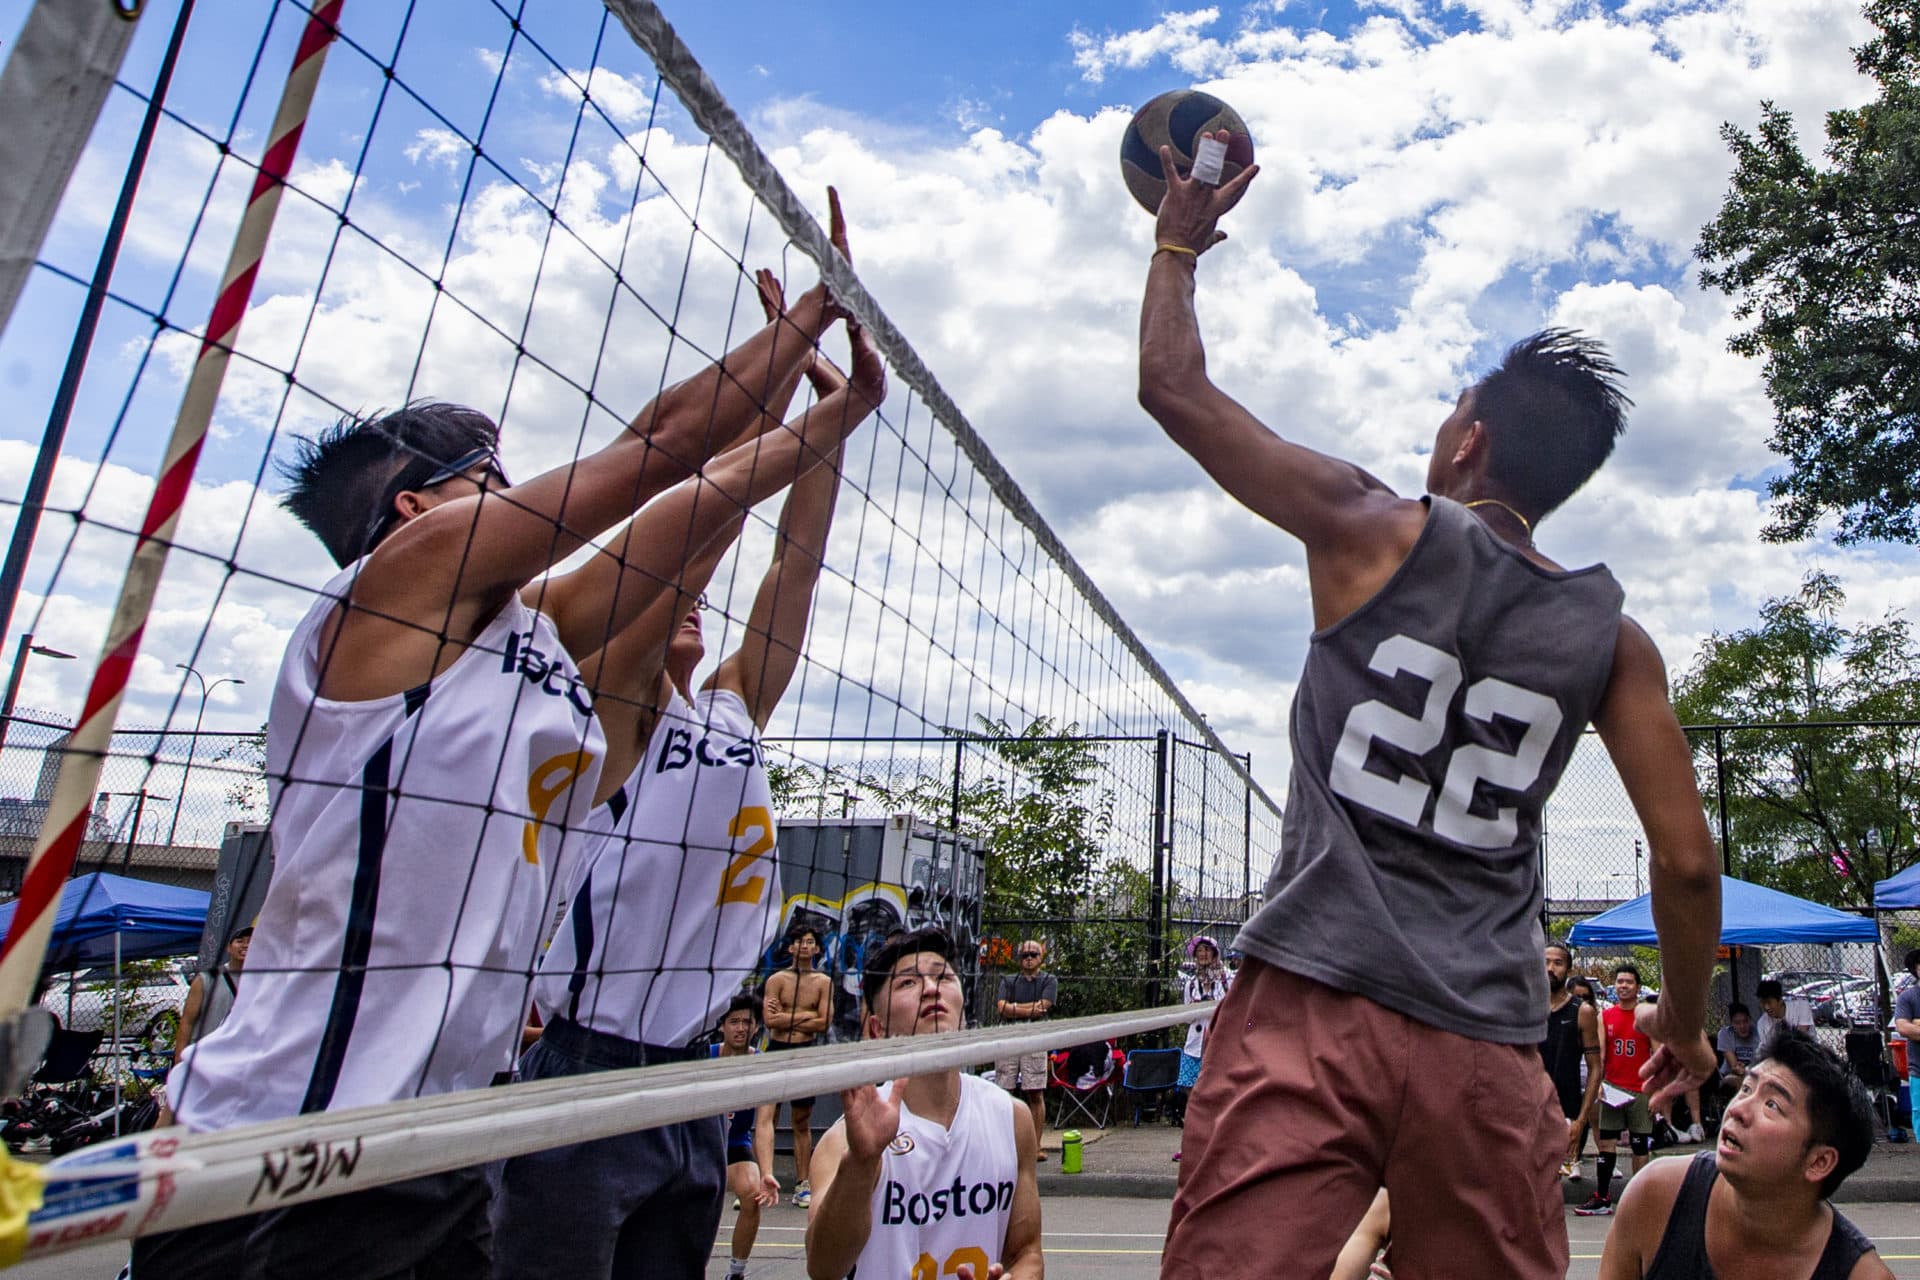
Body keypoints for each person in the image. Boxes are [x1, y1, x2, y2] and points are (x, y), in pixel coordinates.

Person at [139, 207, 864, 1278]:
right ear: (418, 506)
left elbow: (700, 507)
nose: (517, 488)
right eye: (493, 471)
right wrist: (812, 309)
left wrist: (832, 418)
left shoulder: (541, 637)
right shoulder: (385, 599)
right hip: (284, 1143)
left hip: (447, 1139)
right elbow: (656, 450)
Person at [1140, 133, 1721, 1279]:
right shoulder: (1614, 638)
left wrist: (1175, 243)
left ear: (1468, 441)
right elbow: (1689, 863)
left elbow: (1173, 386)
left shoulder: (1369, 526)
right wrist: (1687, 1025)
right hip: (1486, 1033)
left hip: (1312, 996)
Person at [492, 231, 884, 1279]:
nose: (696, 611)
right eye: (685, 602)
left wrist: (828, 419)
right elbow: (695, 523)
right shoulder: (611, 709)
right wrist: (772, 388)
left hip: (692, 1071)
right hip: (588, 1069)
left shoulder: (729, 712)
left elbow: (793, 569)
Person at [805, 928, 1043, 1280]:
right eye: (908, 983)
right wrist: (862, 1161)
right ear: (876, 1028)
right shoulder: (844, 1142)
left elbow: (1027, 1254)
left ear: (963, 1011)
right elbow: (824, 1268)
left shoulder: (1011, 1118)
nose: (932, 988)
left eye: (943, 976)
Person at [1599, 1026, 1893, 1279]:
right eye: (1746, 1089)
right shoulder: (1656, 1197)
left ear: (1819, 1161)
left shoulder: (1861, 1274)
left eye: (1772, 1105)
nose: (1738, 1110)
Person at [764, 922, 836, 1205]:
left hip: (804, 1053)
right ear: (791, 947)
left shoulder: (823, 983)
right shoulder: (777, 980)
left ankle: (802, 1184)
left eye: (809, 941)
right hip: (777, 1050)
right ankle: (763, 1179)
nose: (804, 946)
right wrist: (805, 1016)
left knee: (801, 1120)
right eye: (799, 941)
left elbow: (824, 1022)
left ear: (817, 947)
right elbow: (770, 1021)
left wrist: (788, 1016)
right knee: (767, 1117)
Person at [1580, 963, 1661, 1216]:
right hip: (1613, 1088)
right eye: (1619, 981)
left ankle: (1639, 1197)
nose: (1623, 986)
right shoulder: (1606, 1016)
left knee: (1639, 1145)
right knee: (1607, 1142)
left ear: (1637, 986)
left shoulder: (1646, 1016)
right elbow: (1601, 1054)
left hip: (1640, 1089)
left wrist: (1656, 1091)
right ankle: (1603, 1196)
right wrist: (1600, 1084)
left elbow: (1658, 1054)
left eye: (1628, 982)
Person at [154, 927, 252, 1129]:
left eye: (251, 941)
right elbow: (187, 1022)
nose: (245, 946)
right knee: (176, 1115)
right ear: (228, 947)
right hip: (201, 1061)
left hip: (236, 1064)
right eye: (239, 941)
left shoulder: (259, 981)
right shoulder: (207, 979)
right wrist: (179, 1060)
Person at [713, 995, 779, 1280]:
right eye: (734, 1022)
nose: (740, 1028)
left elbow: (764, 1126)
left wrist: (767, 1172)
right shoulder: (704, 1057)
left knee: (753, 1195)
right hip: (702, 1144)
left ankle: (736, 1271)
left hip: (736, 1143)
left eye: (747, 1022)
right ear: (722, 1027)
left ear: (755, 1028)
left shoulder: (763, 1067)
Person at [1541, 943, 1602, 1180]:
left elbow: (1596, 1068)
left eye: (1558, 963)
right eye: (1545, 961)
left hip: (1564, 1108)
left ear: (1568, 969)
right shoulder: (1525, 1007)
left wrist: (1581, 1119)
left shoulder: (1582, 1011)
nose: (1550, 968)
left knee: (1555, 1181)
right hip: (1529, 1106)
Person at [994, 938, 1057, 1161]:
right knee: (1003, 1091)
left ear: (1041, 958)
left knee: (1035, 1091)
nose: (1029, 959)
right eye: (1025, 955)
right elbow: (1002, 1008)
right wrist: (1030, 1009)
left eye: (1033, 955)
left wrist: (1014, 1009)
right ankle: (1002, 1145)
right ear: (1019, 958)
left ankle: (1034, 1146)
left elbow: (1044, 1007)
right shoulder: (1008, 980)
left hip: (1035, 1038)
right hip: (1008, 1037)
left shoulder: (1049, 980)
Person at [1172, 936, 1231, 1134]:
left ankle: (1216, 1136)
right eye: (1199, 951)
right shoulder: (1191, 983)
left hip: (1219, 1044)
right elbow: (1186, 1016)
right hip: (1194, 1044)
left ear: (1214, 953)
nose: (1203, 954)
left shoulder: (1227, 978)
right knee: (1192, 1091)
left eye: (1207, 949)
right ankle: (1193, 1138)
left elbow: (1233, 1009)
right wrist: (1196, 1010)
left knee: (1218, 1091)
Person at [1896, 950, 1920, 1140]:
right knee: (1919, 1111)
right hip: (1918, 1069)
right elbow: (1903, 1027)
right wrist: (1913, 1027)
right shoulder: (1908, 997)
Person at [1716, 1002, 1761, 1089]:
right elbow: (1734, 1065)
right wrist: (1738, 1068)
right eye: (1737, 1023)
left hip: (1753, 1075)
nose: (1742, 1026)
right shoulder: (1725, 1034)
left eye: (1745, 1021)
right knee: (1731, 1080)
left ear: (1750, 1020)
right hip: (1732, 1074)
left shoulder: (1758, 1033)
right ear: (1731, 1023)